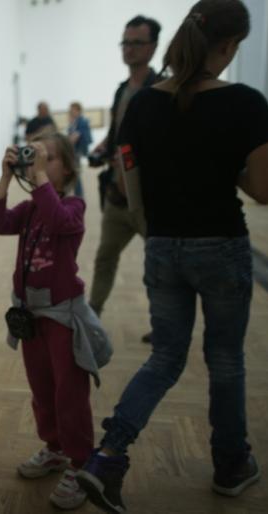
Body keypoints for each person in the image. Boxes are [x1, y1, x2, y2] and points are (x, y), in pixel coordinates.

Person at [77, 1, 268, 512]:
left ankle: (107, 456)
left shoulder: (143, 103)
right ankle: (231, 464)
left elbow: (129, 183)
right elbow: (263, 189)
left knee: (164, 358)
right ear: (227, 45)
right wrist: (219, 163)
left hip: (163, 246)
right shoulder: (246, 103)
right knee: (225, 359)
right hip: (221, 246)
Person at [0, 133, 112, 510]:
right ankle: (55, 448)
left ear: (68, 168)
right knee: (41, 388)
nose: (39, 164)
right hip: (31, 316)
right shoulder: (29, 209)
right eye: (35, 157)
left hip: (62, 317)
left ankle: (80, 463)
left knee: (69, 393)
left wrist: (38, 176)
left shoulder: (74, 207)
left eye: (48, 158)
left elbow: (57, 221)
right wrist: (5, 178)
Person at [88, 15, 160, 344]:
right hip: (117, 196)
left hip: (148, 200)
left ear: (153, 47)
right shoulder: (121, 90)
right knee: (104, 258)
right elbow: (118, 134)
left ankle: (163, 324)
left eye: (136, 43)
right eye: (125, 42)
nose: (129, 49)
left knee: (158, 266)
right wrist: (103, 148)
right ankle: (91, 319)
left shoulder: (162, 90)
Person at [67, 102, 93, 198]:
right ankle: (78, 196)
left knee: (76, 174)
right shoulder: (75, 122)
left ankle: (79, 197)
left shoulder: (82, 121)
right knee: (75, 174)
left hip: (77, 151)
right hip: (74, 151)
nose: (71, 111)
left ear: (78, 110)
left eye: (72, 109)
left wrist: (65, 143)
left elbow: (75, 137)